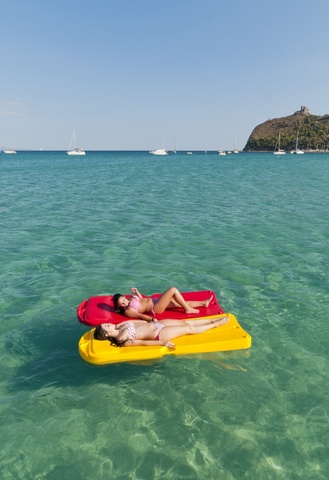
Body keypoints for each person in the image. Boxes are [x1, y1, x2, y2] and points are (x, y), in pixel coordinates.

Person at [93, 315, 230, 349]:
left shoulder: (119, 325)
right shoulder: (122, 340)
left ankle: (213, 320)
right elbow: (142, 343)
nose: (109, 323)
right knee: (189, 329)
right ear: (106, 334)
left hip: (157, 324)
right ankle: (217, 324)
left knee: (186, 322)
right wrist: (162, 343)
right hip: (160, 333)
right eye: (107, 325)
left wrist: (150, 321)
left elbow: (138, 322)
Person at [112, 287, 213, 321]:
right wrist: (152, 319)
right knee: (173, 290)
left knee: (179, 303)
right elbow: (140, 315)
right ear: (119, 306)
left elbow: (142, 300)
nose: (125, 302)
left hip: (155, 301)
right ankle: (188, 309)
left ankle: (204, 303)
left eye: (124, 299)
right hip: (155, 308)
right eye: (122, 303)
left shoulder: (129, 300)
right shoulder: (128, 311)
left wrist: (137, 292)